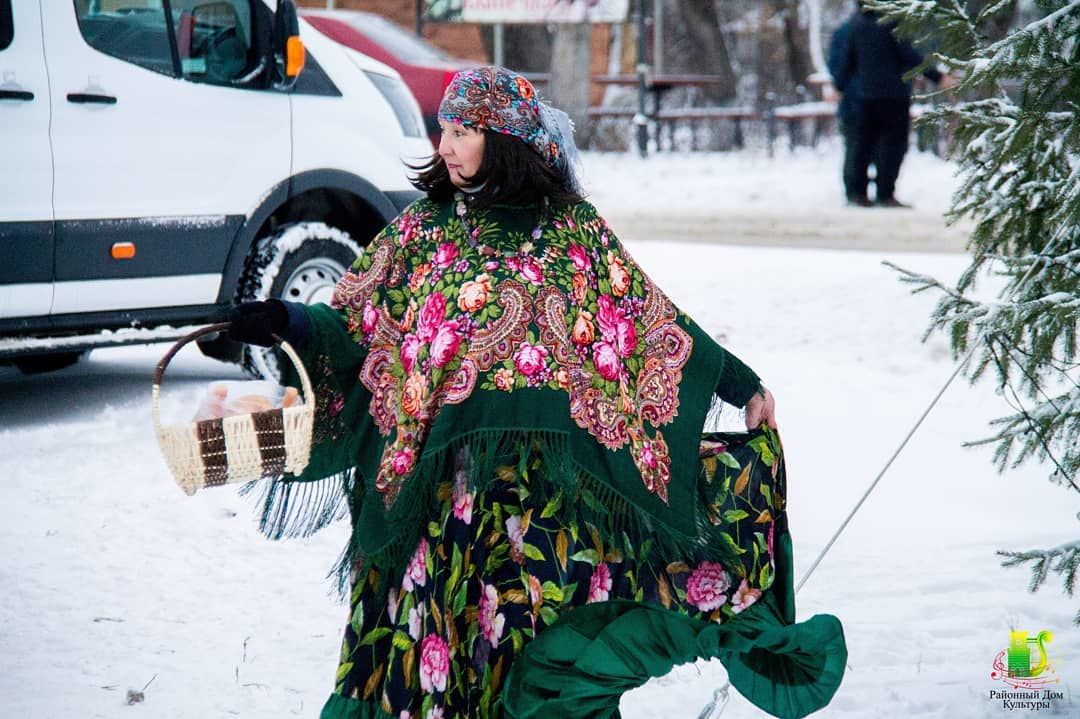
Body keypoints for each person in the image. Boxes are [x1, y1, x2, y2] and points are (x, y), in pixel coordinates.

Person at [226, 67, 846, 719]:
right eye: (445, 129)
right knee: (421, 653)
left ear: (506, 140)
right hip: (431, 501)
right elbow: (356, 327)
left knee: (514, 648)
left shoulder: (568, 232)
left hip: (533, 504)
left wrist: (740, 383)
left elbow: (650, 324)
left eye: (464, 131)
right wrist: (289, 321)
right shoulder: (420, 233)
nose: (446, 146)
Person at [832, 3, 948, 208]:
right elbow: (909, 55)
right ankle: (885, 193)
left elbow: (848, 60)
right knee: (893, 145)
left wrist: (838, 87)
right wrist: (937, 76)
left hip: (867, 95)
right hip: (894, 94)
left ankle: (858, 194)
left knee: (864, 145)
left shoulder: (855, 24)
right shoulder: (891, 23)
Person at [828, 9, 875, 207]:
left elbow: (836, 66)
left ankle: (855, 191)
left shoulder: (843, 31)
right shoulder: (872, 29)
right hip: (862, 99)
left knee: (855, 147)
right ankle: (857, 192)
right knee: (860, 147)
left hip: (853, 99)